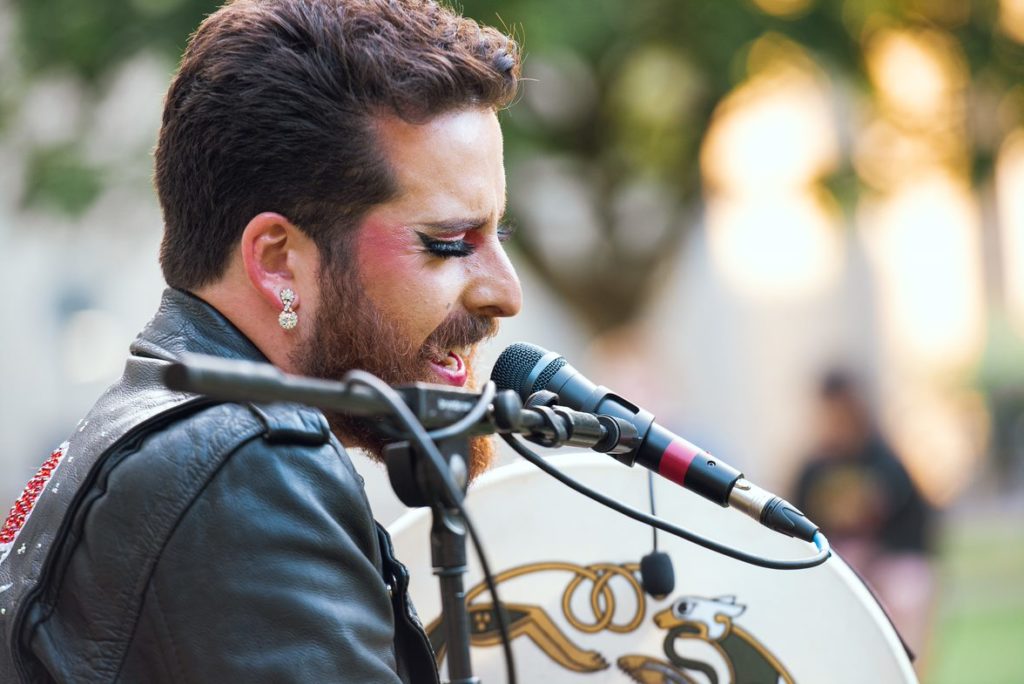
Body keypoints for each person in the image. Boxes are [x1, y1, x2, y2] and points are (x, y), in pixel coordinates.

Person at [0, 0, 522, 681]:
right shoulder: (245, 468)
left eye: (500, 237)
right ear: (277, 259)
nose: (505, 293)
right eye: (450, 243)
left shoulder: (166, 435)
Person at [793, 370, 937, 663]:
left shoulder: (885, 462)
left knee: (902, 595)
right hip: (839, 571)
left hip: (892, 567)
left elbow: (912, 531)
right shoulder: (813, 469)